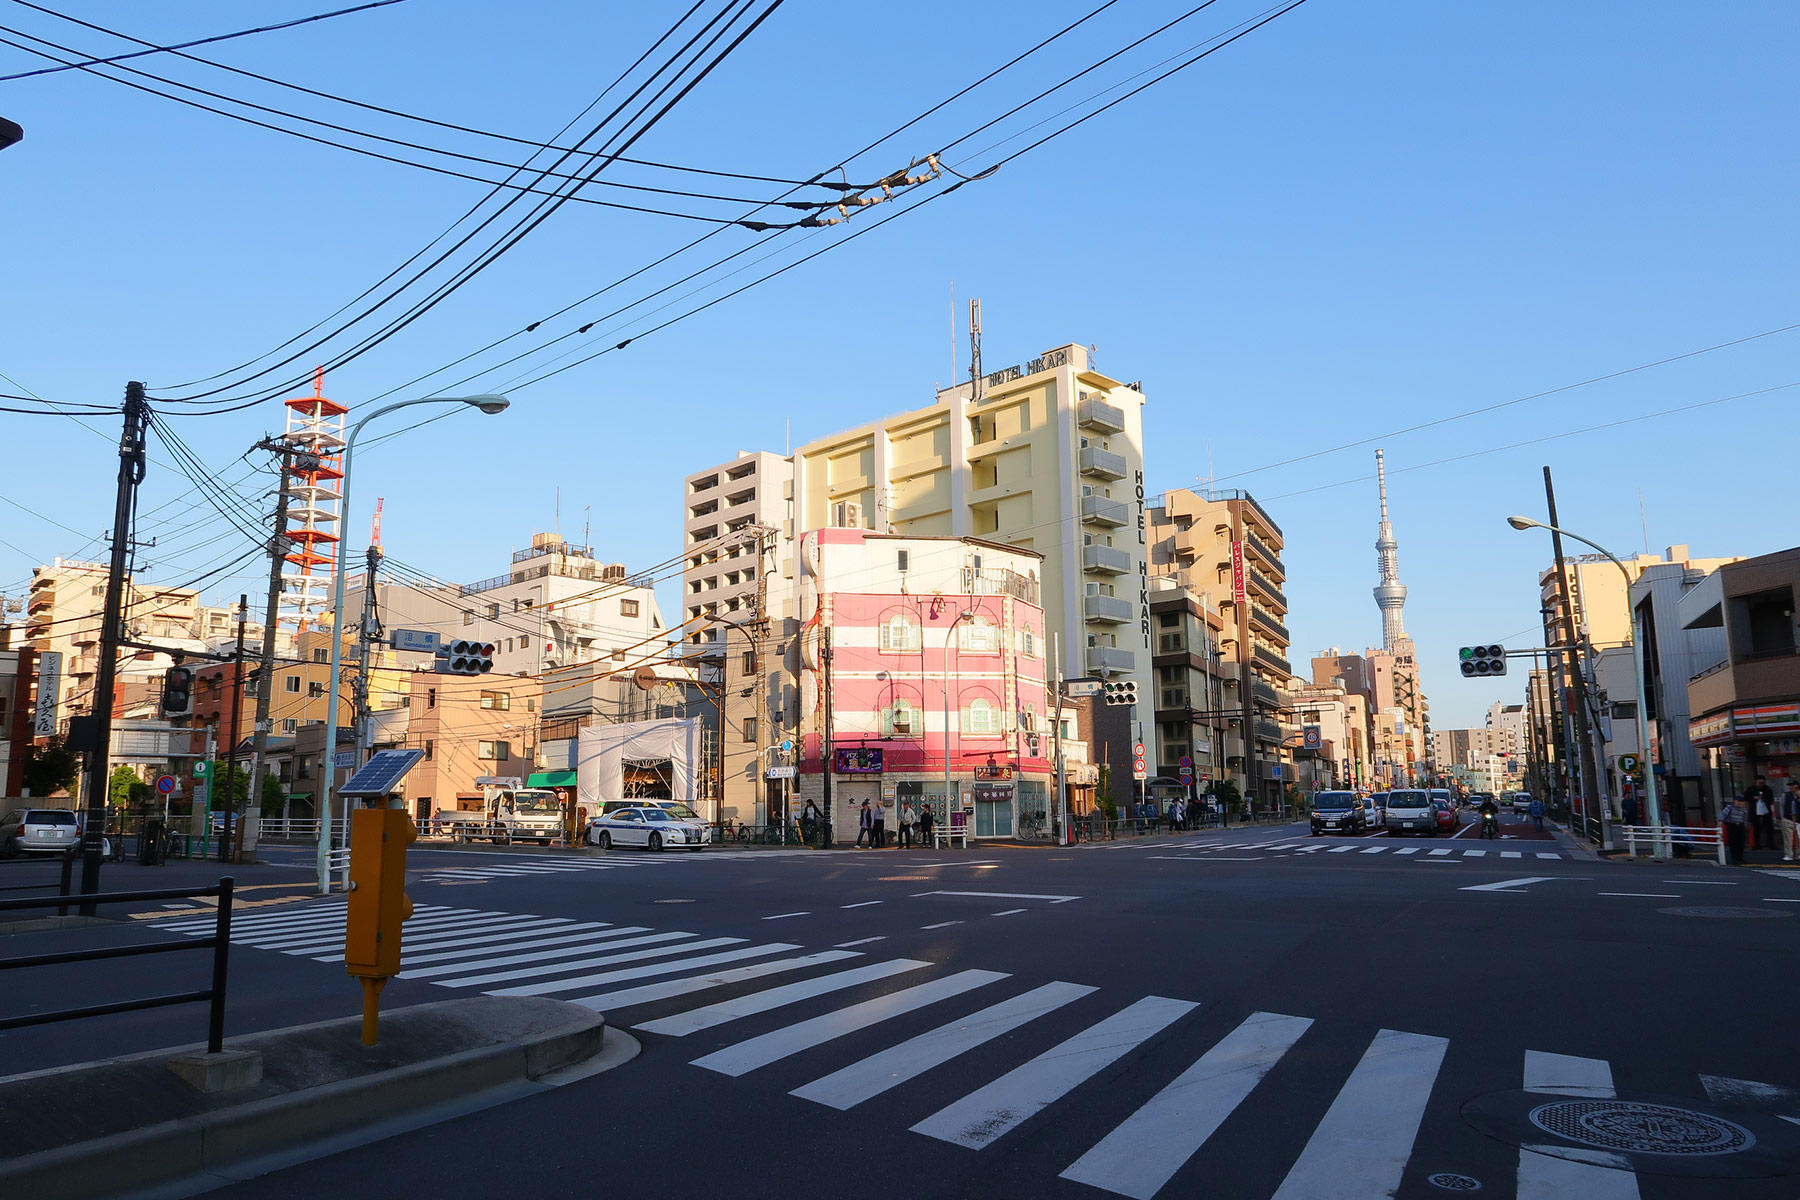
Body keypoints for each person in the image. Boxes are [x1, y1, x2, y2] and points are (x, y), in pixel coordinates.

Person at [1745, 775, 1775, 850]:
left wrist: (1764, 799)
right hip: (1755, 811)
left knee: (1769, 829)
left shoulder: (1767, 789)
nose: (1761, 785)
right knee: (1756, 829)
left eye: (1762, 783)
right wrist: (1754, 798)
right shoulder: (1751, 789)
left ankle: (1770, 844)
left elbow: (1771, 799)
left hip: (1766, 811)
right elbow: (1746, 797)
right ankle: (1757, 844)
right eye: (1759, 783)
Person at [1720, 794, 1748, 865]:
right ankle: (1734, 858)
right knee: (1733, 842)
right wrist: (1720, 821)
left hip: (1740, 826)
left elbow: (1745, 818)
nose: (1740, 803)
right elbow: (1723, 814)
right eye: (1738, 801)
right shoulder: (1730, 807)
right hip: (1732, 826)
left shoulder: (1744, 809)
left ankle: (1740, 858)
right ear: (1735, 801)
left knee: (1741, 843)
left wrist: (1745, 825)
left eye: (1742, 801)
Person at [1781, 781, 1799, 862]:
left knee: (1799, 838)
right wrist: (1782, 817)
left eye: (1793, 785)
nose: (1791, 787)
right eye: (1790, 786)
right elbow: (1782, 806)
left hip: (1798, 819)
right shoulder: (1786, 795)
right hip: (1788, 818)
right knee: (1788, 839)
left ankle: (1798, 854)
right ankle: (1788, 854)